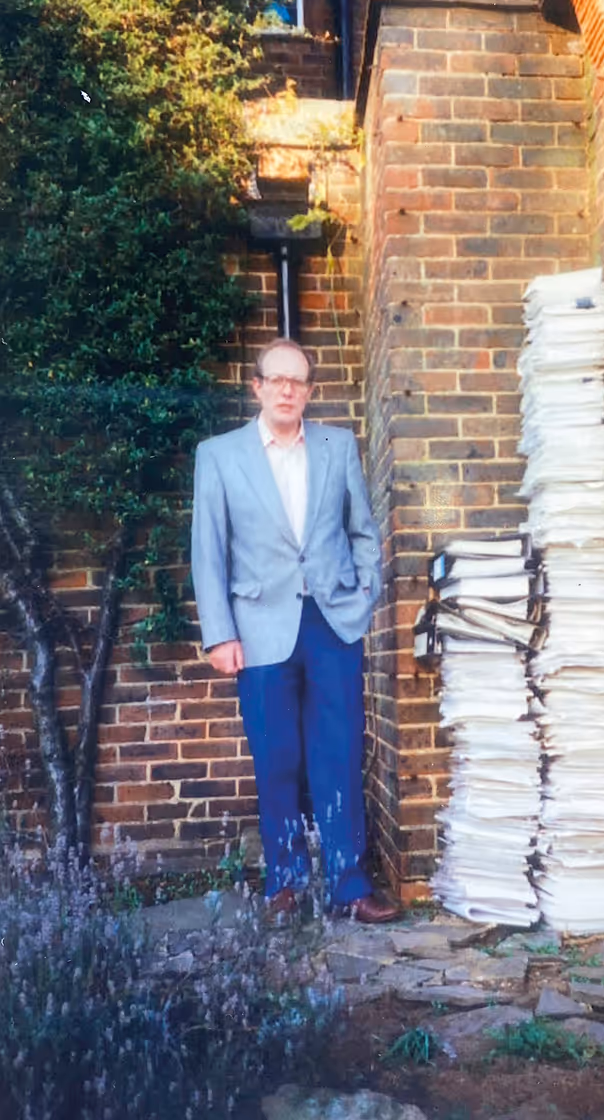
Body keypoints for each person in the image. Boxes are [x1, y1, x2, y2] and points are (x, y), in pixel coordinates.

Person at [191, 338, 399, 923]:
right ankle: (284, 883)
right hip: (258, 630)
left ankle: (350, 887)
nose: (288, 390)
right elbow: (208, 552)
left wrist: (363, 596)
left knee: (338, 753)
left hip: (332, 624)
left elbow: (362, 530)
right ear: (256, 386)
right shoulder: (221, 455)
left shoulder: (338, 445)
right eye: (276, 380)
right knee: (276, 757)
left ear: (309, 390)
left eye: (299, 381)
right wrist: (219, 634)